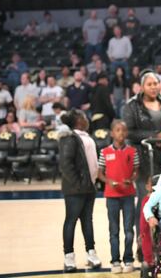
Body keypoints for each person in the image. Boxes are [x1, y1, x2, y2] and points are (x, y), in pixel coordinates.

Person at [123, 71, 161, 260]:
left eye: (155, 83)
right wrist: (153, 137)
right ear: (142, 87)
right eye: (149, 84)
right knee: (145, 202)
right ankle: (143, 247)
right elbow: (129, 132)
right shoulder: (132, 106)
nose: (153, 87)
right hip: (143, 160)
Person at [58, 109, 102, 272]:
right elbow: (66, 164)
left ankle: (91, 253)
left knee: (87, 221)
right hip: (75, 189)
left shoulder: (86, 136)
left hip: (89, 187)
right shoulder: (69, 138)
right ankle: (68, 257)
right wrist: (78, 184)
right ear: (78, 121)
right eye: (84, 117)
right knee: (71, 221)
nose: (87, 119)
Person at [97, 120, 139, 274]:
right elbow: (100, 173)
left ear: (126, 133)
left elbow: (136, 170)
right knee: (113, 230)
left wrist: (132, 179)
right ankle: (115, 260)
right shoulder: (104, 152)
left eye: (123, 130)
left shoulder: (132, 151)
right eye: (117, 130)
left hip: (128, 195)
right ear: (112, 133)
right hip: (112, 196)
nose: (120, 133)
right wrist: (109, 181)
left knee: (129, 229)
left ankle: (128, 259)